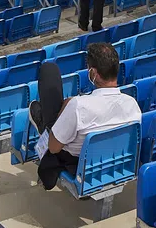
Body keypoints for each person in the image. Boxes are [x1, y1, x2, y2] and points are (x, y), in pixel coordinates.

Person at [37, 42, 141, 191]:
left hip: (77, 161)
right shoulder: (132, 105)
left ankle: (43, 123)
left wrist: (68, 109)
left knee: (49, 69)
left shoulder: (80, 106)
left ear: (93, 73)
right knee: (68, 105)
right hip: (115, 159)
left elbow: (53, 148)